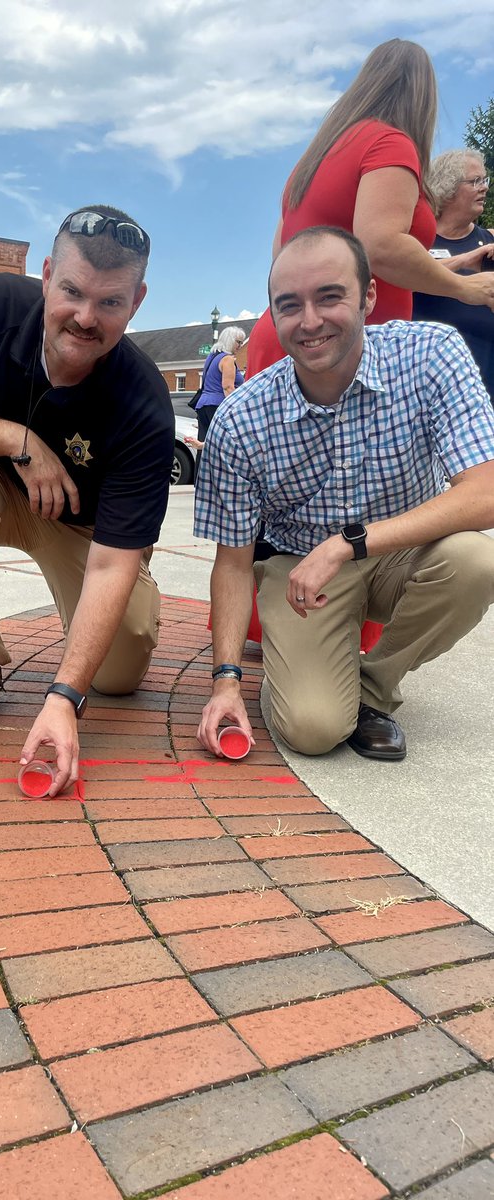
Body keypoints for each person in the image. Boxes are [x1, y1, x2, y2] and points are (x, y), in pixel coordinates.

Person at [0, 206, 173, 794]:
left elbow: (114, 561)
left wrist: (65, 695)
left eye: (110, 302)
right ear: (46, 276)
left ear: (137, 301)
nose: (85, 318)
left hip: (85, 530)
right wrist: (17, 440)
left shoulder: (144, 398)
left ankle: (93, 637)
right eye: (72, 291)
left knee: (117, 677)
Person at [194, 226, 494, 763]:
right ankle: (315, 671)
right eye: (290, 305)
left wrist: (348, 543)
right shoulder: (240, 420)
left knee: (478, 561)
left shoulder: (431, 354)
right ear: (272, 314)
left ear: (368, 296)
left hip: (402, 554)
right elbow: (232, 563)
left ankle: (372, 688)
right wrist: (226, 682)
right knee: (313, 730)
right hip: (299, 570)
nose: (309, 321)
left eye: (329, 296)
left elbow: (485, 492)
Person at [246, 39, 494, 376]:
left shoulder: (313, 160)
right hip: (341, 356)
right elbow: (380, 246)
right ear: (422, 95)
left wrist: (460, 262)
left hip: (294, 343)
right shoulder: (389, 143)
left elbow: (283, 255)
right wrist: (467, 288)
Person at [412, 150, 494, 398]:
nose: (484, 188)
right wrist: (464, 260)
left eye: (484, 180)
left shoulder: (489, 241)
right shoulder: (415, 243)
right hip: (432, 384)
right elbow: (405, 276)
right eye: (475, 181)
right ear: (447, 188)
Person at [192, 326, 245, 479]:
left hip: (203, 405)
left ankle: (201, 480)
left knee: (204, 444)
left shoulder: (212, 357)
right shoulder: (227, 359)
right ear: (230, 340)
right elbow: (228, 387)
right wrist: (236, 409)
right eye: (238, 342)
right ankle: (221, 480)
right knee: (222, 445)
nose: (240, 346)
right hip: (218, 405)